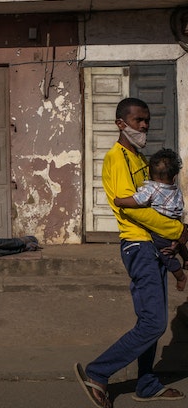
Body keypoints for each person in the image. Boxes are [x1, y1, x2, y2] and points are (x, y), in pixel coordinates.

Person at [74, 98, 188, 408]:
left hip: (154, 244)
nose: (145, 126)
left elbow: (156, 201)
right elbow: (134, 209)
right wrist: (176, 230)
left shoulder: (139, 157)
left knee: (150, 319)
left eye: (147, 120)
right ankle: (98, 372)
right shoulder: (117, 158)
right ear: (120, 123)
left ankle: (147, 384)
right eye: (139, 120)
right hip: (139, 245)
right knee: (153, 324)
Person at [114, 148, 188, 292]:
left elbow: (137, 201)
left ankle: (180, 276)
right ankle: (186, 257)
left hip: (160, 229)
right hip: (176, 224)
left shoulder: (151, 189)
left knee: (166, 254)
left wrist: (120, 201)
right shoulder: (176, 190)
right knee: (179, 242)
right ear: (174, 178)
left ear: (149, 174)